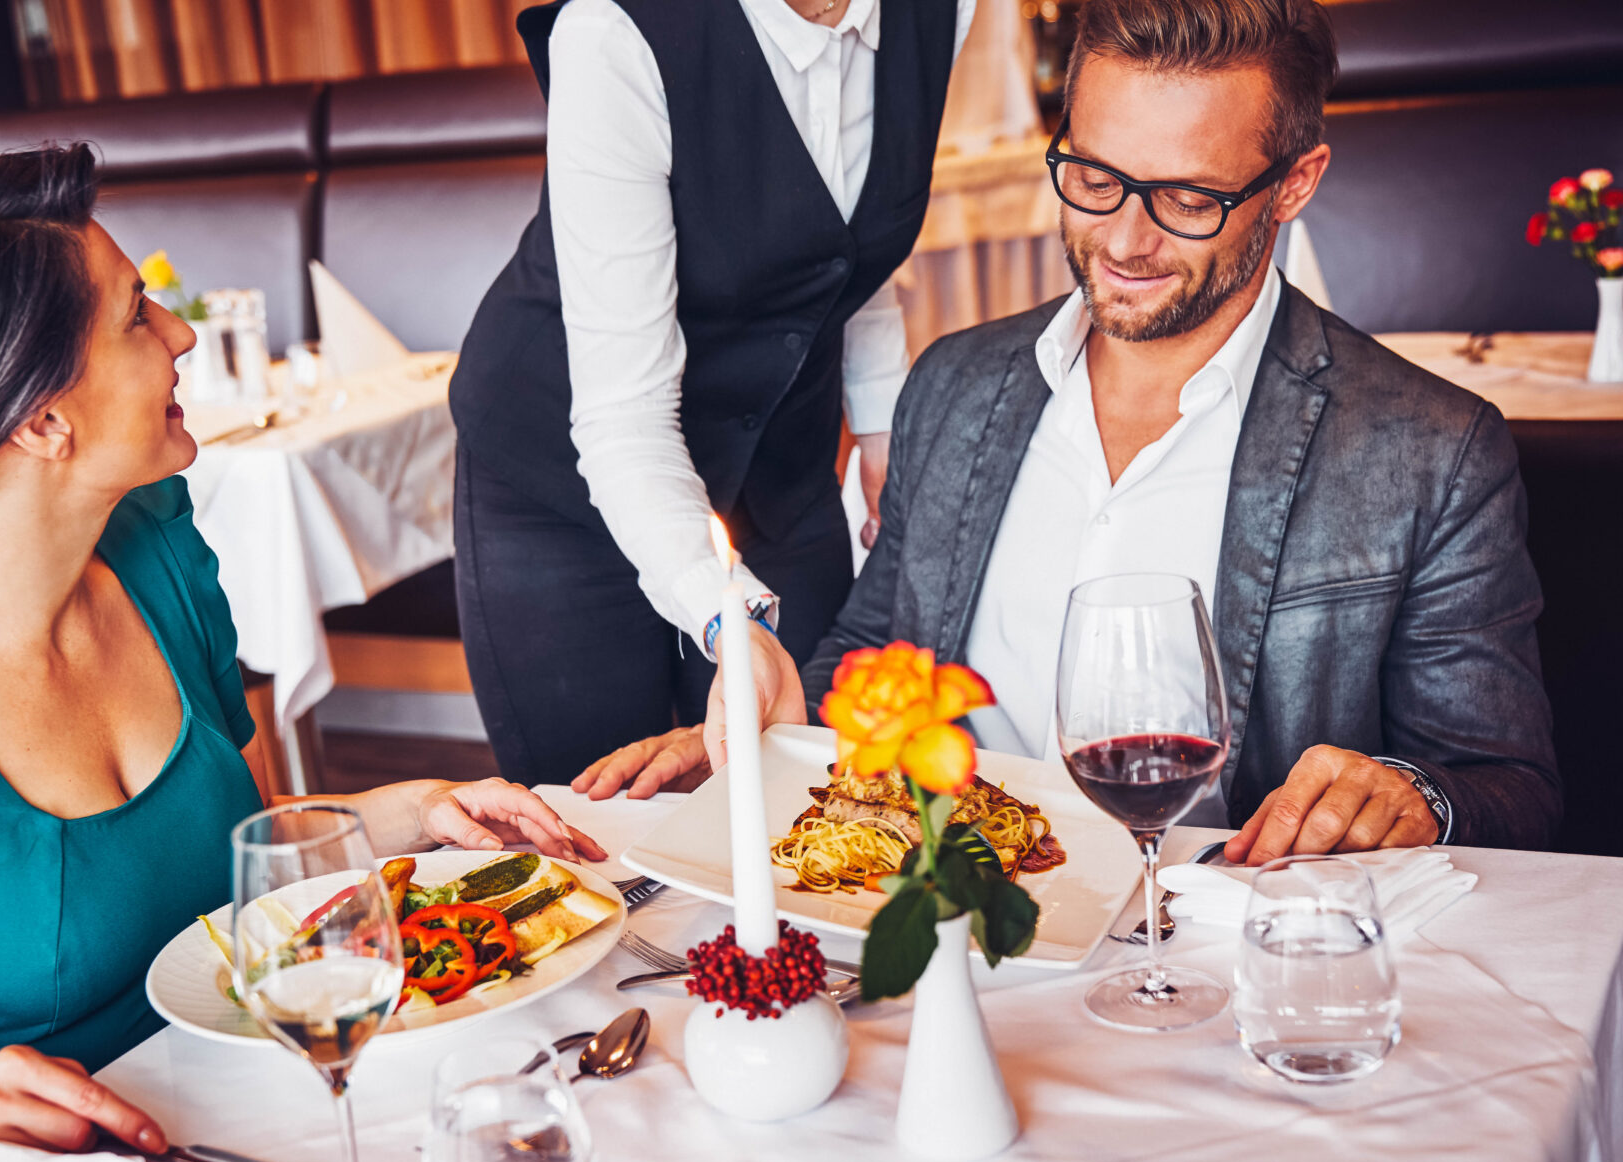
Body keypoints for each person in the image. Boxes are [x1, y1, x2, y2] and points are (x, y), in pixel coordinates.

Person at [577, 0, 1562, 860]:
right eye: (1094, 177)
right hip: (951, 924)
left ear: (1295, 184)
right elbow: (878, 652)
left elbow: (1511, 789)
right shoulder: (954, 388)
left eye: (1188, 198)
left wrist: (1415, 796)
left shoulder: (1432, 451)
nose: (1127, 240)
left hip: (1216, 959)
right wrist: (765, 741)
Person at [0, 146, 603, 1162]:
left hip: (267, 1122)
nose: (183, 333)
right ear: (41, 419)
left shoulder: (153, 543)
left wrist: (408, 809)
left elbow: (236, 859)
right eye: (139, 315)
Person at [448, 0, 977, 786]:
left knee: (807, 799)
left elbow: (847, 239)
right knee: (601, 826)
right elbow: (625, 419)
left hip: (779, 470)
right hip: (566, 486)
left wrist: (880, 428)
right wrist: (727, 611)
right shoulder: (615, 31)